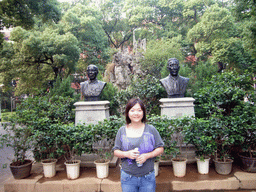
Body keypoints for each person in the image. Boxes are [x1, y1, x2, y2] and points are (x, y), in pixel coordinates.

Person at [113, 98, 164, 192]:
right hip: (128, 178)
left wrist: (147, 155)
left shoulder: (151, 129)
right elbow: (116, 151)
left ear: (143, 112)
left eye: (139, 110)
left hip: (147, 177)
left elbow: (160, 148)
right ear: (127, 113)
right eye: (132, 110)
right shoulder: (122, 131)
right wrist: (127, 154)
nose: (136, 113)